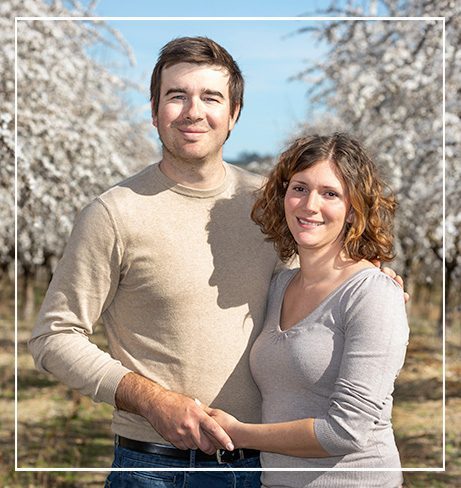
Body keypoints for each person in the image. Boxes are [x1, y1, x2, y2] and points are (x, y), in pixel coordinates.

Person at [29, 37, 406, 487]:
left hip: (266, 466)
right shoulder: (114, 213)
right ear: (154, 110)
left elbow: (320, 274)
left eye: (211, 97)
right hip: (160, 466)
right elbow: (54, 336)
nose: (193, 111)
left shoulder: (271, 203)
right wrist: (152, 400)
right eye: (176, 96)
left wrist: (372, 279)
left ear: (234, 114)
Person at [202, 133, 409, 488]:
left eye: (330, 193)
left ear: (354, 208)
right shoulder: (281, 286)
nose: (309, 205)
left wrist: (241, 433)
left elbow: (345, 431)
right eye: (299, 188)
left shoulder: (372, 294)